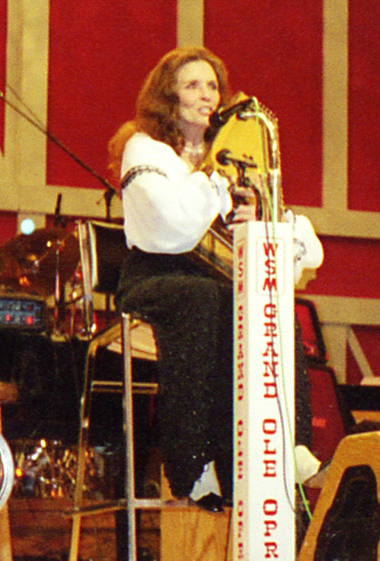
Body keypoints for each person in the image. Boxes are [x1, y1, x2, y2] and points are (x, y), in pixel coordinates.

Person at [108, 46, 324, 513]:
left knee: (268, 301)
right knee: (203, 299)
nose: (206, 95)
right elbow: (171, 229)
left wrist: (261, 220)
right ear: (169, 97)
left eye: (212, 86)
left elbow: (303, 255)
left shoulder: (233, 154)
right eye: (192, 85)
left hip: (218, 283)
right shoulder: (144, 149)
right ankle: (192, 462)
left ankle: (290, 444)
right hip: (156, 276)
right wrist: (218, 183)